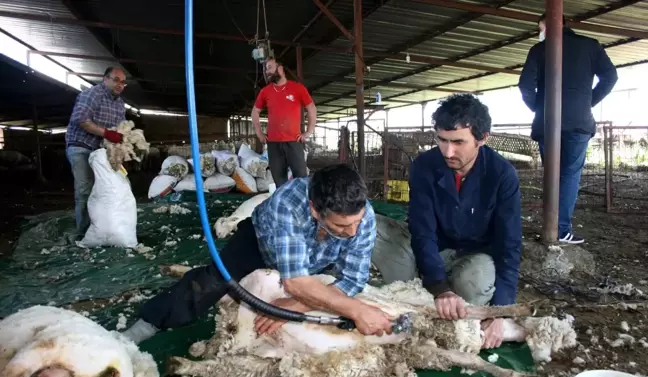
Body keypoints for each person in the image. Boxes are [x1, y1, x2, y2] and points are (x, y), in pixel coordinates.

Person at [123, 163, 394, 344]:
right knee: (213, 282)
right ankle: (149, 322)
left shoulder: (363, 217)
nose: (353, 231)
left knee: (319, 298)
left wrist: (297, 305)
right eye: (342, 225)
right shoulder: (287, 203)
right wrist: (357, 310)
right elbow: (296, 282)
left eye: (357, 222)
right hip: (260, 245)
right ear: (314, 210)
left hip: (316, 261)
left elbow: (353, 278)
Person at [375, 94, 521, 350]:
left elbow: (509, 244)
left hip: (473, 255)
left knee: (473, 282)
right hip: (430, 249)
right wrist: (440, 287)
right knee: (371, 225)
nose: (448, 151)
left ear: (482, 139)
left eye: (458, 142)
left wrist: (500, 312)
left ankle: (435, 292)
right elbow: (423, 229)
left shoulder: (502, 175)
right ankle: (424, 289)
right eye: (441, 140)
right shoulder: (424, 166)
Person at [518, 13, 618, 244]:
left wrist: (540, 108)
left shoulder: (539, 50)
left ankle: (553, 226)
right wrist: (587, 101)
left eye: (540, 27)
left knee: (552, 174)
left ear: (549, 25)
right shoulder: (590, 46)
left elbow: (525, 85)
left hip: (547, 123)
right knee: (569, 175)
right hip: (578, 123)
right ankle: (561, 229)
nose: (540, 33)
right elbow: (610, 76)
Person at [65, 66, 128, 238]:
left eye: (123, 82)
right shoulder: (92, 94)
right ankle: (84, 232)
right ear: (105, 78)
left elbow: (120, 129)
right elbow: (80, 119)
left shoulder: (120, 104)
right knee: (85, 189)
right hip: (81, 146)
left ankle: (102, 227)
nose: (120, 85)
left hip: (101, 151)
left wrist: (120, 148)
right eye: (116, 80)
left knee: (105, 188)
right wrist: (107, 133)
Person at [252, 58, 317, 188]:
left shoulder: (298, 88)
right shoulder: (265, 91)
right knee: (279, 179)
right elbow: (255, 111)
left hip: (294, 141)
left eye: (270, 67)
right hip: (273, 143)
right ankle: (283, 204)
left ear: (280, 69)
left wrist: (308, 132)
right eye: (265, 69)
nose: (267, 71)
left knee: (301, 177)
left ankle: (302, 203)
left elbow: (311, 109)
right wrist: (259, 133)